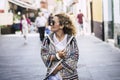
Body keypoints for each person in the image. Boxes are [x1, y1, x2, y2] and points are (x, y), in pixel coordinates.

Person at [41, 13, 79, 80]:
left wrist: (58, 68)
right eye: (50, 22)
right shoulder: (47, 39)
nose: (51, 24)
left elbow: (75, 57)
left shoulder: (71, 40)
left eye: (53, 22)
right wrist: (57, 56)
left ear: (61, 26)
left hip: (70, 77)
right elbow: (44, 55)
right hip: (53, 77)